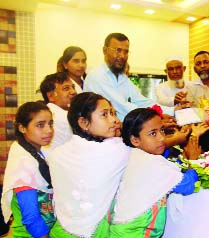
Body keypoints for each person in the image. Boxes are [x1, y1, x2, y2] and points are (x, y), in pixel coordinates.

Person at [48, 92, 129, 237]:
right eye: (105, 115)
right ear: (84, 123)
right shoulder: (117, 150)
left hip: (61, 231)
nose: (114, 120)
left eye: (113, 113)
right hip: (97, 232)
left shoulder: (57, 154)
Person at [110, 108, 198, 237]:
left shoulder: (132, 153)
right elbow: (188, 185)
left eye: (162, 130)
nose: (162, 138)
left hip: (123, 230)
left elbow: (166, 165)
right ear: (135, 140)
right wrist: (193, 161)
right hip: (135, 232)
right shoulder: (150, 162)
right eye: (153, 133)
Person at [84, 32, 174, 121]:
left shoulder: (122, 77)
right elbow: (122, 106)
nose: (122, 56)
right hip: (102, 134)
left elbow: (141, 101)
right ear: (105, 50)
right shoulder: (97, 76)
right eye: (118, 50)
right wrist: (156, 117)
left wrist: (173, 111)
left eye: (126, 52)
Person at [1, 101, 55, 237]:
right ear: (22, 128)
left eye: (50, 124)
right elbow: (31, 218)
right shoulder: (24, 164)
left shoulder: (37, 154)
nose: (49, 130)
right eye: (40, 125)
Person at [40, 72, 77, 151]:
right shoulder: (62, 116)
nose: (73, 92)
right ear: (51, 96)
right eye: (66, 88)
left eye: (73, 87)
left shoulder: (46, 110)